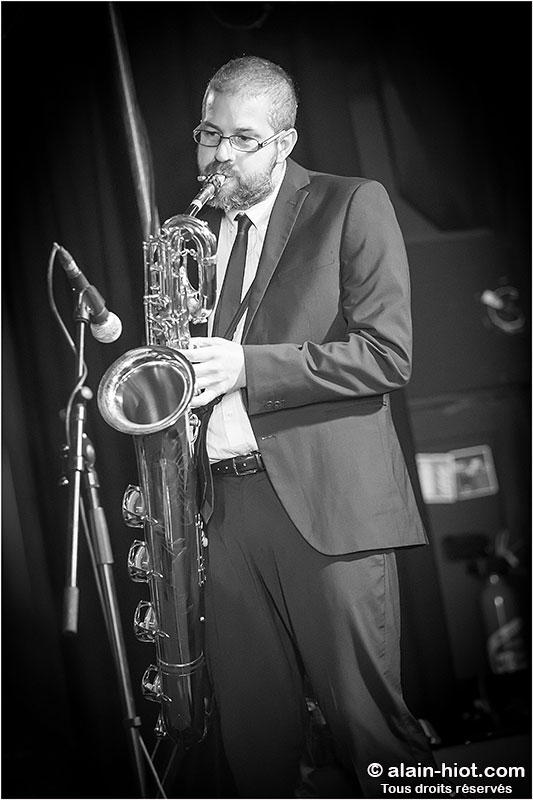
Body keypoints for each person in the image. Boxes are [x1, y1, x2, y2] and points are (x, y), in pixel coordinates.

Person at [181, 55, 439, 798]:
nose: (221, 154)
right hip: (222, 511)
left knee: (370, 733)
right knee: (253, 744)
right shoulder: (190, 236)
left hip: (326, 505)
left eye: (244, 138)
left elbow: (387, 354)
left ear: (285, 142)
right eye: (210, 134)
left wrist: (248, 367)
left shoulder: (350, 202)